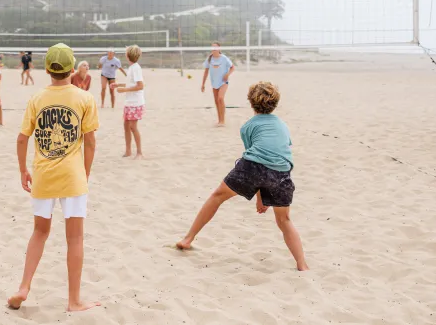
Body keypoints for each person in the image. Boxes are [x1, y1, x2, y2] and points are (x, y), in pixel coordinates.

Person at [175, 81, 309, 271]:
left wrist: (260, 197)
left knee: (217, 196)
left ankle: (188, 238)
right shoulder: (283, 126)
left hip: (253, 168)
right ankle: (302, 264)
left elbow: (256, 160)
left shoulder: (248, 127)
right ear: (275, 103)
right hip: (282, 174)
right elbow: (276, 156)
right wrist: (263, 198)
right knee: (284, 220)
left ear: (251, 102)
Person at [7, 43, 101, 312]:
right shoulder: (84, 98)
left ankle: (24, 287)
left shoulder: (37, 98)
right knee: (75, 239)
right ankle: (73, 301)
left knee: (39, 232)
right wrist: (86, 173)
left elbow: (22, 138)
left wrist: (22, 170)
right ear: (73, 69)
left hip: (44, 176)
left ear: (47, 69)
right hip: (73, 177)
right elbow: (91, 142)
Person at [110, 45, 145, 159]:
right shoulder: (131, 68)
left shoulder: (136, 68)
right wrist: (118, 85)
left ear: (127, 55)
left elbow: (140, 86)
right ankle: (128, 151)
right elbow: (131, 84)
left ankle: (139, 152)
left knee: (133, 127)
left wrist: (124, 89)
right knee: (126, 126)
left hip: (136, 103)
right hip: (129, 102)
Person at [201, 42, 235, 126]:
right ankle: (219, 120)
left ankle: (223, 121)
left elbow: (233, 67)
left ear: (219, 49)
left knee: (220, 98)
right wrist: (203, 84)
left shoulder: (224, 58)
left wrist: (227, 74)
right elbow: (206, 72)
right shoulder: (209, 59)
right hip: (214, 82)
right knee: (216, 102)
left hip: (224, 82)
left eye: (216, 47)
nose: (214, 49)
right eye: (213, 48)